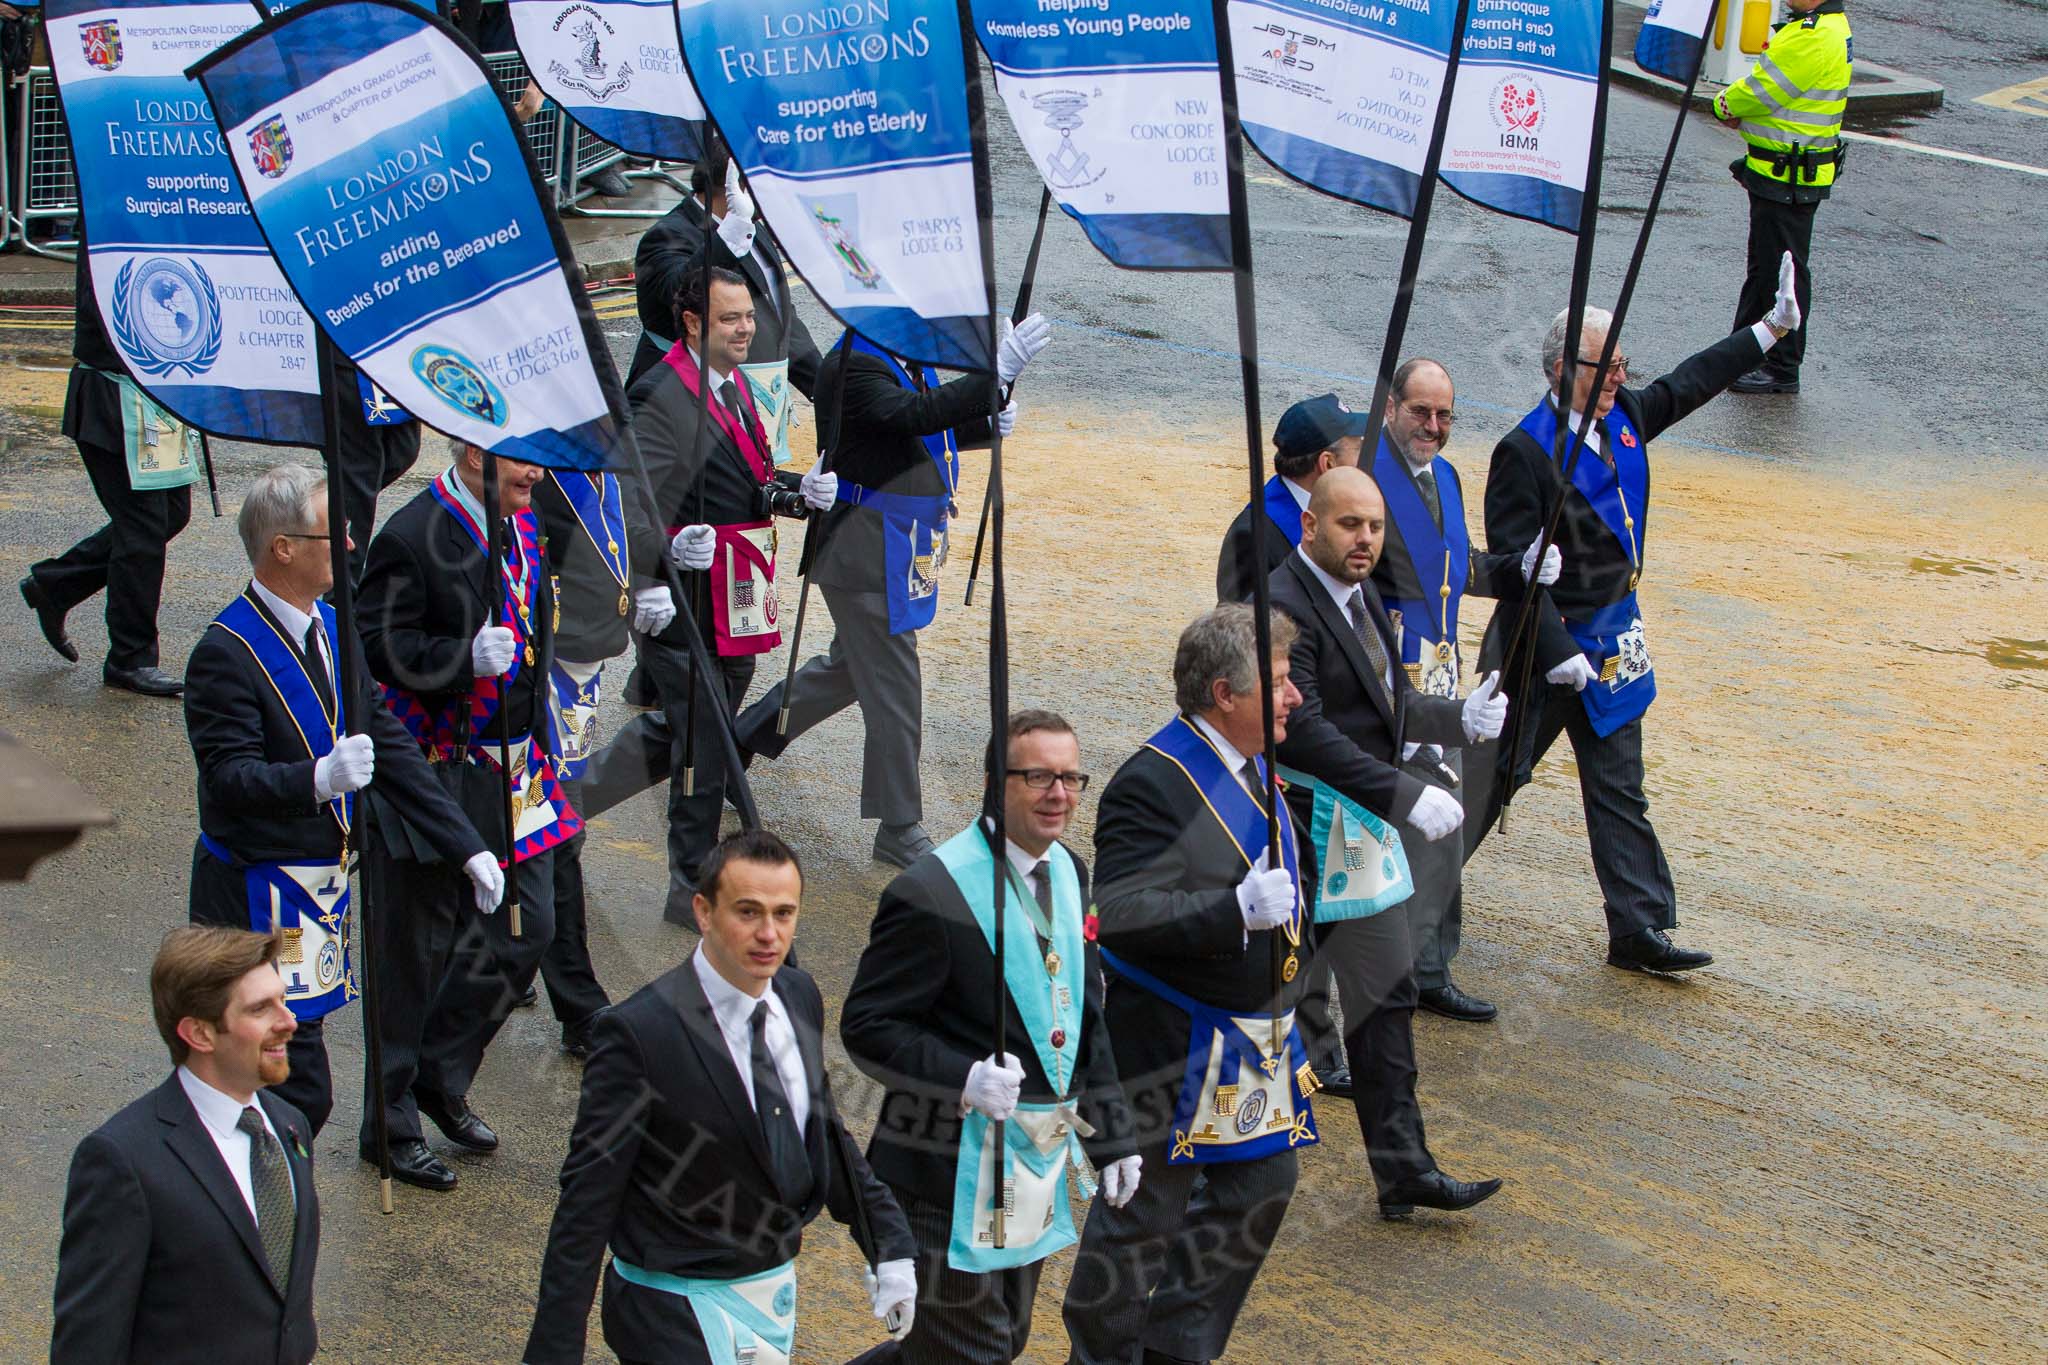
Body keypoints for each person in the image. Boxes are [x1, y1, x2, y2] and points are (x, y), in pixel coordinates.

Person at [1470, 289, 1802, 972]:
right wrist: (1557, 652)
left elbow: (1693, 380)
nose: (1621, 377)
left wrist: (1767, 331)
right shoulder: (1524, 453)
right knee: (1488, 782)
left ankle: (1638, 927)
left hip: (1616, 642)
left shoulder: (1624, 416)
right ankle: (1409, 902)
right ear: (1561, 368)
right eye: (1606, 366)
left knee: (1620, 788)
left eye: (1624, 363)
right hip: (1542, 647)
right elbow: (1515, 570)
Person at [523, 828, 919, 1365]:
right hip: (670, 1310)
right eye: (748, 912)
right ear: (703, 912)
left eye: (784, 914)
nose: (769, 934)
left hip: (770, 1292)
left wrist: (889, 1245)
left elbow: (822, 1133)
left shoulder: (799, 996)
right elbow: (585, 1204)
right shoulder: (638, 1034)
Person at [183, 464, 500, 1135]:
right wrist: (317, 778)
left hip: (314, 891)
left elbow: (383, 733)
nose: (352, 545)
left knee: (292, 1086)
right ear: (284, 548)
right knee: (281, 1088)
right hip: (250, 894)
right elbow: (228, 778)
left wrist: (464, 842)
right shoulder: (224, 652)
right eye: (334, 533)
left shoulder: (330, 624)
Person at [1061, 604, 1317, 1365]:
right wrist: (1230, 910)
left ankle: (1177, 1350)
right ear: (1223, 694)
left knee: (1262, 1187)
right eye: (1276, 682)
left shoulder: (1254, 760)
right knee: (1138, 1222)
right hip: (1171, 1038)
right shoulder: (1154, 780)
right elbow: (1120, 911)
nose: (1294, 695)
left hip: (1251, 1042)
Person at [841, 710, 1139, 1364]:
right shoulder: (930, 890)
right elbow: (866, 1024)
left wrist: (1114, 1129)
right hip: (943, 1175)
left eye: (1070, 777)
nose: (1058, 793)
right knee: (979, 1350)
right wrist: (962, 1075)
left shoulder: (1071, 870)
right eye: (1037, 776)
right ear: (992, 782)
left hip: (1030, 1169)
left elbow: (1085, 1014)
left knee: (989, 1337)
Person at [1271, 467, 1507, 1219]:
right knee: (1268, 1003)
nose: (1366, 539)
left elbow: (1390, 701)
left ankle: (1404, 1168)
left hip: (1355, 830)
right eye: (1350, 525)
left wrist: (1454, 718)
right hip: (1299, 829)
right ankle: (1223, 1167)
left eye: (1373, 526)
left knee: (1386, 997)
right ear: (1311, 526)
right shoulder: (1282, 605)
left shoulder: (1358, 589)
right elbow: (1302, 731)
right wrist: (1405, 791)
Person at [734, 316, 1050, 868]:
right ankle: (899, 826)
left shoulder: (899, 359)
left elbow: (918, 436)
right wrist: (992, 377)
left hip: (893, 543)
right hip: (861, 550)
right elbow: (909, 415)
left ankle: (735, 741)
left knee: (850, 672)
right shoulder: (854, 364)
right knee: (896, 687)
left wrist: (985, 424)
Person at [355, 440, 578, 1189]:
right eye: (522, 463)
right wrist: (456, 658)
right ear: (474, 454)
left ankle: (439, 1074)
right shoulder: (411, 533)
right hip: (438, 761)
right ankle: (387, 1126)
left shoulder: (525, 521)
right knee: (415, 948)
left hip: (517, 757)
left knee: (529, 928)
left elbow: (534, 635)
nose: (536, 476)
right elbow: (374, 647)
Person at [580, 266, 828, 921]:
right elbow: (625, 501)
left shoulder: (737, 387)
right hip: (677, 599)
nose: (746, 328)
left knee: (688, 729)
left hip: (737, 597)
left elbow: (751, 478)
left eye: (748, 316)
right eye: (730, 319)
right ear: (692, 323)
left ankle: (565, 802)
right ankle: (688, 882)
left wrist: (796, 493)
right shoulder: (659, 393)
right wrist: (663, 551)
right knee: (705, 736)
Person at [1366, 359, 1562, 1021]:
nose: (1434, 426)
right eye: (1421, 411)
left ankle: (1427, 965)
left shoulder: (1445, 476)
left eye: (1445, 414)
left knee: (1443, 823)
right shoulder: (1366, 478)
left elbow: (1460, 567)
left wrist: (1517, 570)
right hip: (1387, 680)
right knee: (1390, 826)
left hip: (1444, 683)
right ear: (1392, 406)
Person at [52, 926, 320, 1365]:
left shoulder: (290, 1126)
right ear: (199, 1034)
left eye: (283, 1000)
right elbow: (87, 1345)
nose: (289, 1022)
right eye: (260, 1009)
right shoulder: (123, 1162)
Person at [20, 253, 193, 696]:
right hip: (114, 393)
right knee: (144, 526)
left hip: (155, 394)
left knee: (171, 514)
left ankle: (55, 585)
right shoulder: (111, 224)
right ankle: (130, 659)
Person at [529, 465, 643, 1052]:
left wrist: (651, 576)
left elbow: (628, 534)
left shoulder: (604, 469)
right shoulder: (534, 473)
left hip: (580, 669)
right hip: (530, 674)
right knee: (552, 838)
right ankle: (574, 1000)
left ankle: (529, 958)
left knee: (556, 838)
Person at [1716, 0, 1852, 396]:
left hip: (1788, 175)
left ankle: (1778, 366)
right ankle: (1742, 353)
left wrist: (1722, 103)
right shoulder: (1824, 26)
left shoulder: (1811, 36)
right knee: (1768, 270)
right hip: (1786, 171)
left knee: (1781, 274)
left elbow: (1762, 91)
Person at [625, 133, 821, 397]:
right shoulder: (665, 237)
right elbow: (681, 290)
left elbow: (780, 318)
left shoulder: (754, 229)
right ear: (737, 185)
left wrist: (826, 390)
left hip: (750, 404)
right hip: (683, 404)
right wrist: (732, 232)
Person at [1214, 392, 1367, 603]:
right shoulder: (1254, 537)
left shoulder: (1342, 510)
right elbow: (1242, 629)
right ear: (1328, 463)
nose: (1367, 458)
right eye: (1358, 449)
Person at [326, 348, 422, 582]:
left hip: (391, 347)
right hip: (347, 346)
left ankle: (320, 509)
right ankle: (341, 595)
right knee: (360, 473)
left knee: (403, 451)